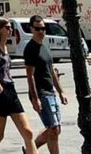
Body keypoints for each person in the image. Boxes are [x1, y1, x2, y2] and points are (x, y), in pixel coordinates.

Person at [0, 17, 37, 154]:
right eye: (7, 27)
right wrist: (1, 90)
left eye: (11, 27)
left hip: (11, 91)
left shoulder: (6, 47)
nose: (10, 30)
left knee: (28, 133)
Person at [24, 14, 68, 153]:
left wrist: (61, 92)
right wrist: (35, 98)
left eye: (43, 28)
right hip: (41, 93)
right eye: (38, 29)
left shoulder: (45, 46)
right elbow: (30, 76)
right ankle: (32, 149)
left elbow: (52, 71)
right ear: (31, 29)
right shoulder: (30, 49)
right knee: (53, 128)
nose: (41, 31)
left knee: (55, 129)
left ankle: (31, 149)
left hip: (51, 92)